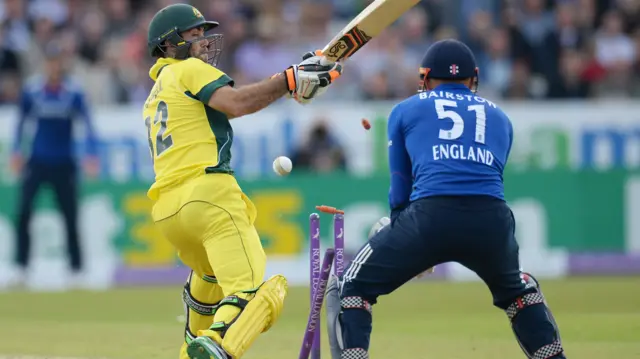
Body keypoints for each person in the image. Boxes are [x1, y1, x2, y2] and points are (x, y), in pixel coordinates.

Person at [324, 39, 566, 359]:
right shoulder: (501, 118)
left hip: (428, 219)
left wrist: (405, 237)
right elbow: (486, 179)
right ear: (473, 77)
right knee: (517, 292)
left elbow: (400, 187)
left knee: (352, 286)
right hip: (492, 220)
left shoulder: (406, 109)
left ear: (425, 78)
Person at [142, 4, 343, 359]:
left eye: (203, 33)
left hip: (169, 214)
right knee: (257, 293)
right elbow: (234, 103)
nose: (204, 41)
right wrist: (289, 80)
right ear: (170, 44)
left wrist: (288, 84)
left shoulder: (156, 91)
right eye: (194, 34)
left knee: (209, 280)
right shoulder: (188, 69)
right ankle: (220, 347)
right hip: (209, 197)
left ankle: (191, 347)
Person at [9, 41, 99, 289]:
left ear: (62, 64)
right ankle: (21, 267)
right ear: (44, 64)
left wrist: (91, 154)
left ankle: (76, 270)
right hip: (37, 162)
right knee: (24, 213)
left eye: (56, 61)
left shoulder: (73, 92)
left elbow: (88, 124)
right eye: (49, 61)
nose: (53, 66)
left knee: (70, 217)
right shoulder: (33, 91)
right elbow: (20, 123)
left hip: (64, 163)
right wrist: (16, 151)